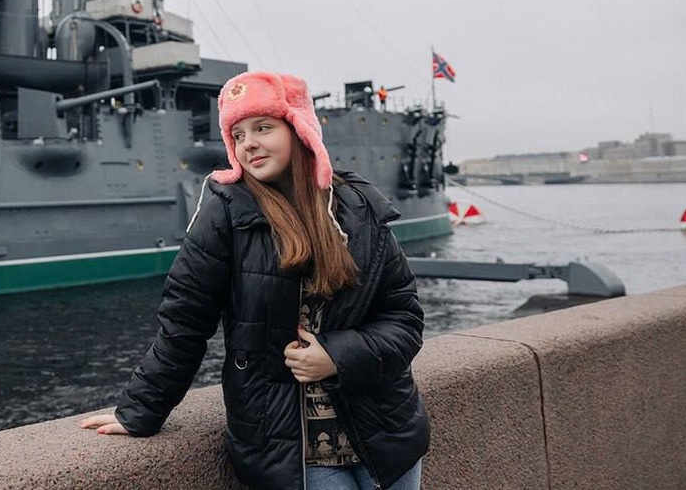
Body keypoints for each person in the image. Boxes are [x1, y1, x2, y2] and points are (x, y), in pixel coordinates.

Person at [80, 71, 430, 490]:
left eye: (263, 127)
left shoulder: (358, 206)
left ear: (299, 129)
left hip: (387, 434)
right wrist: (139, 411)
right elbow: (184, 324)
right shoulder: (224, 213)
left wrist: (337, 356)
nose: (248, 143)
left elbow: (404, 318)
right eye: (238, 134)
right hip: (293, 450)